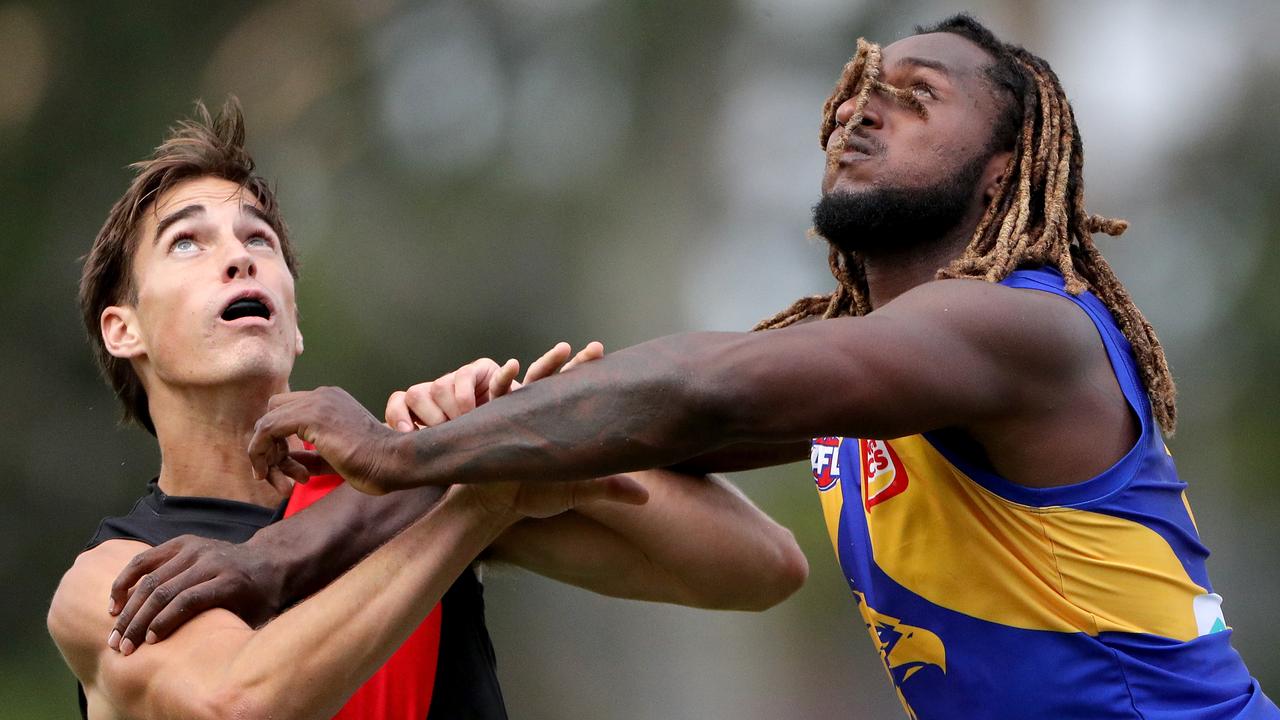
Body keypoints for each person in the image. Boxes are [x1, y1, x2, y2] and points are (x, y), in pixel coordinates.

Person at [242, 14, 1278, 719]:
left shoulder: (1023, 330)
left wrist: (385, 447)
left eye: (915, 97)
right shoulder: (880, 376)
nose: (861, 110)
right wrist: (286, 548)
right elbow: (629, 433)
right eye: (859, 90)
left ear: (1002, 165)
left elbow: (698, 385)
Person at [46, 99, 808, 720]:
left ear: (294, 320)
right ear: (125, 330)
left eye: (259, 238)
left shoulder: (403, 487)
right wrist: (473, 503)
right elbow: (237, 702)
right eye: (187, 243)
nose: (239, 255)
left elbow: (760, 569)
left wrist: (512, 434)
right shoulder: (107, 580)